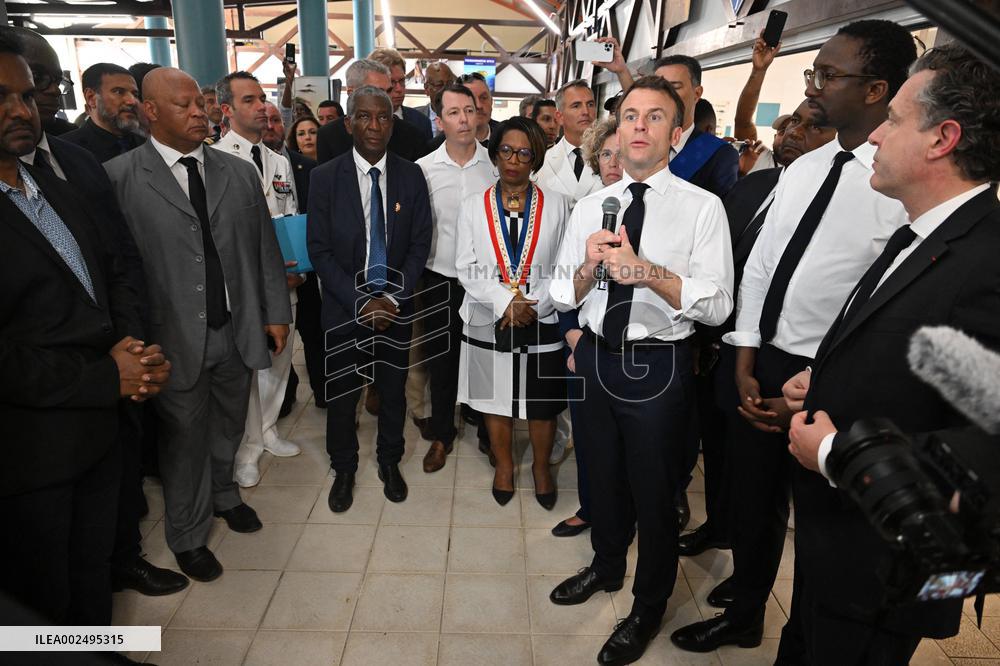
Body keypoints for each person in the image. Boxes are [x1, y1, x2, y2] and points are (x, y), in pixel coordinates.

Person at [670, 20, 917, 656]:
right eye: (815, 72)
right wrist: (745, 357)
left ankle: (804, 628)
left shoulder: (894, 186)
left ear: (876, 90)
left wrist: (816, 388)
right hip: (762, 359)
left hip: (828, 373)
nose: (813, 87)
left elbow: (877, 302)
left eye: (828, 76)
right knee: (751, 500)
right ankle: (746, 609)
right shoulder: (805, 168)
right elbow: (761, 266)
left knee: (819, 519)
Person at [781, 43, 1000, 665]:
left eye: (896, 118)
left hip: (889, 568)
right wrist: (823, 380)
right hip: (843, 549)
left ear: (943, 139)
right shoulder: (919, 231)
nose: (875, 133)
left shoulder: (988, 263)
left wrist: (832, 453)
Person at [548, 75, 734, 666]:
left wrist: (645, 271)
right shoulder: (589, 207)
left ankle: (648, 604)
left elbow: (718, 303)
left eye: (655, 117)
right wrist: (586, 269)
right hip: (597, 357)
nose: (639, 127)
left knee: (654, 494)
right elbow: (557, 294)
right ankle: (605, 567)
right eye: (630, 115)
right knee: (599, 477)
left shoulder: (702, 208)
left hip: (658, 363)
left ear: (676, 134)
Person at [8, 26, 188, 600]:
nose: (24, 109)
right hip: (30, 444)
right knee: (43, 592)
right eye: (3, 96)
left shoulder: (54, 180)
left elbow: (113, 269)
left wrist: (131, 350)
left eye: (29, 94)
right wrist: (104, 376)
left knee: (90, 571)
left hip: (99, 417)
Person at [105, 67, 292, 583]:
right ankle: (187, 535)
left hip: (234, 328)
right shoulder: (121, 179)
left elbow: (264, 251)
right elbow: (116, 270)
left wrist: (275, 312)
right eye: (184, 105)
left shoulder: (236, 173)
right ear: (150, 111)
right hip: (170, 339)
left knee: (229, 421)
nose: (199, 113)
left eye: (202, 103)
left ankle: (226, 494)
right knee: (183, 438)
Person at [677, 98, 836, 566]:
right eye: (791, 123)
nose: (791, 133)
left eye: (810, 127)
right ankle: (719, 525)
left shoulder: (836, 198)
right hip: (724, 343)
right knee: (720, 447)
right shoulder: (755, 185)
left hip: (785, 355)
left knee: (762, 475)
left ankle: (747, 569)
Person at [307, 85, 432, 513]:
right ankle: (344, 468)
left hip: (395, 309)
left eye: (382, 117)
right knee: (342, 395)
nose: (374, 125)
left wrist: (391, 299)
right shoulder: (324, 178)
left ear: (392, 123)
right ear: (349, 123)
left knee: (393, 393)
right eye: (364, 116)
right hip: (345, 307)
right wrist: (362, 301)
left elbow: (419, 246)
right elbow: (319, 250)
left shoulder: (411, 175)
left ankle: (389, 461)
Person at [455, 116, 570, 508]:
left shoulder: (558, 205)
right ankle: (504, 466)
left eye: (524, 152)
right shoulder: (473, 206)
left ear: (535, 158)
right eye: (506, 150)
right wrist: (506, 301)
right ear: (495, 154)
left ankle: (540, 468)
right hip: (489, 316)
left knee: (541, 401)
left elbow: (564, 265)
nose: (513, 160)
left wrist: (532, 303)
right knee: (494, 398)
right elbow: (465, 266)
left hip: (542, 313)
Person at [212, 70, 302, 488]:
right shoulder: (215, 160)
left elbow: (290, 217)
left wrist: (297, 265)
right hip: (243, 286)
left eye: (262, 98)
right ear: (226, 110)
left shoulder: (278, 160)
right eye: (249, 100)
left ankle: (267, 430)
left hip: (284, 279)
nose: (263, 107)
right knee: (251, 363)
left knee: (280, 361)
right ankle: (246, 448)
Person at [415, 82, 498, 473]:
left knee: (484, 359)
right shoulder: (424, 170)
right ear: (440, 119)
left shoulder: (495, 165)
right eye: (453, 112)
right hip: (440, 281)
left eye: (469, 109)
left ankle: (487, 432)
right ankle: (442, 435)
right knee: (442, 363)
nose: (464, 119)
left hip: (487, 282)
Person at [550, 116, 622, 539]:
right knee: (590, 435)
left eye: (620, 152)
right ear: (595, 160)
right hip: (584, 341)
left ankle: (623, 510)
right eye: (605, 154)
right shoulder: (584, 210)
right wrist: (572, 336)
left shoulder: (645, 206)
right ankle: (590, 506)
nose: (613, 161)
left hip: (631, 344)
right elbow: (560, 280)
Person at [262, 102, 325, 416]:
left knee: (315, 333)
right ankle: (284, 397)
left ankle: (324, 391)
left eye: (276, 120)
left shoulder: (306, 168)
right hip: (272, 270)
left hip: (307, 265)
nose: (271, 125)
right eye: (267, 120)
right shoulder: (252, 165)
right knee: (278, 339)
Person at [315, 59, 430, 163]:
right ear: (351, 93)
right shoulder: (328, 136)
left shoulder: (412, 136)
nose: (386, 98)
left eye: (388, 90)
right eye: (376, 91)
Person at [535, 79, 601, 206]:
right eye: (576, 106)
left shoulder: (611, 158)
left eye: (590, 104)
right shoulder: (542, 162)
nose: (585, 112)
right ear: (560, 117)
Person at [63, 63, 144, 162]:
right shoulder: (66, 151)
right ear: (91, 98)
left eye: (135, 94)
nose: (132, 101)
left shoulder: (147, 145)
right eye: (118, 92)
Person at [733, 30, 783, 174]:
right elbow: (743, 121)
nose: (792, 133)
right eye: (782, 131)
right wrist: (758, 70)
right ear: (774, 138)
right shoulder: (759, 157)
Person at [369, 47, 434, 142]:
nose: (399, 89)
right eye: (392, 82)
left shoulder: (421, 122)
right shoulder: (360, 124)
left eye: (402, 80)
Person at [429, 72, 499, 151]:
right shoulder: (435, 147)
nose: (479, 106)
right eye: (471, 99)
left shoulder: (507, 136)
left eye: (483, 98)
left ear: (491, 101)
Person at [414, 61, 455, 138]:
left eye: (449, 84)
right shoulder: (413, 117)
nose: (446, 89)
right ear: (426, 89)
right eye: (439, 85)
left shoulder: (462, 118)